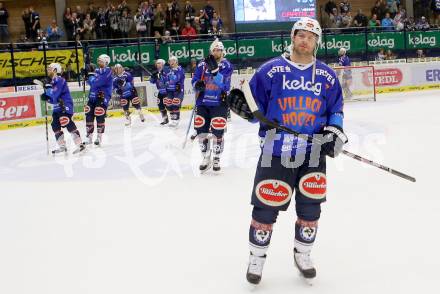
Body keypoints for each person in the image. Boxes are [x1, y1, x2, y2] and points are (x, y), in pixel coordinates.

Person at [226, 17, 347, 285]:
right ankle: (256, 257)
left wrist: (334, 133)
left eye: (311, 36)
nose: (305, 40)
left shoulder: (326, 76)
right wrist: (244, 109)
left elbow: (335, 111)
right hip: (275, 150)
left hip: (313, 152)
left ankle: (303, 254)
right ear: (293, 38)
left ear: (317, 42)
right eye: (300, 35)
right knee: (266, 206)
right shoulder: (270, 70)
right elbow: (252, 106)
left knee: (310, 207)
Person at [191, 38, 233, 172]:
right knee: (201, 131)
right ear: (211, 51)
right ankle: (206, 157)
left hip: (219, 103)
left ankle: (216, 158)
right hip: (203, 103)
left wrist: (215, 72)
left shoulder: (226, 65)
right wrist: (197, 85)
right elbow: (195, 80)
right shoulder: (202, 65)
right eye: (214, 50)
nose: (217, 52)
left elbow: (224, 85)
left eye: (219, 50)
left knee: (218, 132)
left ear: (223, 51)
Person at [40, 63, 85, 155]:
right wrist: (47, 98)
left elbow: (55, 94)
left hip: (65, 105)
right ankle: (62, 146)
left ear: (56, 70)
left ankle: (80, 144)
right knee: (55, 125)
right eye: (48, 68)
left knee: (67, 122)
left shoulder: (60, 80)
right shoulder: (51, 82)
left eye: (50, 69)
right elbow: (53, 99)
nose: (48, 70)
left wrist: (48, 89)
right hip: (56, 108)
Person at [84, 54, 113, 146]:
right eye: (98, 60)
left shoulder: (109, 71)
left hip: (102, 96)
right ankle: (89, 137)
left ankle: (99, 137)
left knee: (99, 114)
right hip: (92, 96)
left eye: (101, 61)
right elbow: (90, 82)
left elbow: (98, 82)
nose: (98, 62)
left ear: (106, 62)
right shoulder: (96, 70)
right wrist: (86, 75)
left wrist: (91, 76)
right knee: (89, 115)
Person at [165, 56, 185, 127]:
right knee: (169, 105)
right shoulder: (168, 70)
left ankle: (176, 119)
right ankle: (173, 119)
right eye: (170, 61)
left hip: (178, 91)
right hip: (170, 90)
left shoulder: (180, 69)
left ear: (176, 61)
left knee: (175, 104)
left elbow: (176, 78)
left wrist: (169, 80)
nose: (172, 62)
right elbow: (165, 79)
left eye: (173, 60)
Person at [150, 59, 170, 125]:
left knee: (168, 105)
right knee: (160, 105)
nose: (157, 64)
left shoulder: (167, 69)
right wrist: (153, 77)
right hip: (160, 91)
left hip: (167, 91)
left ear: (162, 64)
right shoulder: (156, 72)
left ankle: (174, 118)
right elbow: (152, 82)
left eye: (159, 63)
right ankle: (165, 119)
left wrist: (160, 75)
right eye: (157, 63)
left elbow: (168, 79)